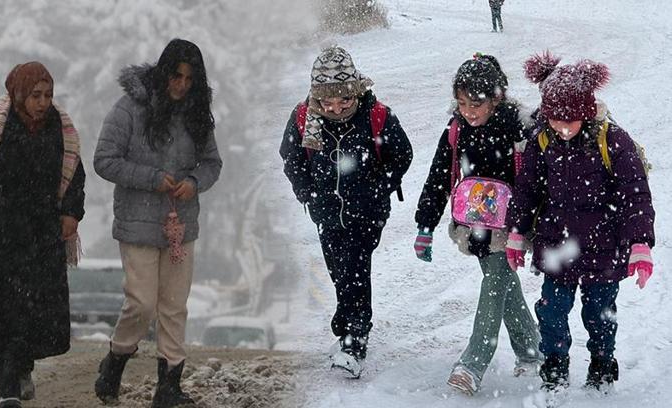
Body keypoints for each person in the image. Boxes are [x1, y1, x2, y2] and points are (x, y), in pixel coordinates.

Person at [507, 51, 655, 398]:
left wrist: (640, 244)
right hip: (557, 247)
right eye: (555, 120)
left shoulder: (613, 141)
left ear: (585, 114)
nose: (561, 128)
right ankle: (555, 367)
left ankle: (602, 366)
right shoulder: (543, 139)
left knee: (599, 315)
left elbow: (635, 194)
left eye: (569, 121)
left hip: (604, 250)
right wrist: (516, 232)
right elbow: (527, 188)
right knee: (552, 313)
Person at [93, 38, 222, 407]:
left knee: (174, 305)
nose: (182, 85)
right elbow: (104, 159)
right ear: (164, 73)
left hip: (181, 226)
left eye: (189, 78)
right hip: (138, 224)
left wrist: (195, 182)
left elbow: (213, 163)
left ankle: (169, 386)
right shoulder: (129, 109)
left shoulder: (198, 115)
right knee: (142, 304)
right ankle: (116, 361)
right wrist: (150, 178)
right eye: (176, 76)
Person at [0, 61, 85, 408]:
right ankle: (6, 388)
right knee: (1, 315)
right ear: (18, 94)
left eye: (49, 95)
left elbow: (74, 175)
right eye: (36, 95)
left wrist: (71, 212)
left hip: (41, 238)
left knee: (31, 314)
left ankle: (22, 369)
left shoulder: (61, 129)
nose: (43, 102)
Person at [279, 46, 412, 378]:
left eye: (344, 101)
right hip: (325, 212)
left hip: (367, 212)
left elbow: (403, 154)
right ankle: (346, 322)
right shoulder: (304, 118)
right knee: (339, 269)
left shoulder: (376, 115)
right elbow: (291, 159)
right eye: (327, 103)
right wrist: (305, 191)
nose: (335, 108)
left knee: (354, 265)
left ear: (355, 92)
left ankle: (354, 339)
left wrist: (379, 186)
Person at [414, 53, 542, 395]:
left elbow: (541, 175)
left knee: (495, 281)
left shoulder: (519, 125)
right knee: (502, 283)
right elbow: (439, 176)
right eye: (461, 102)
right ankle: (531, 352)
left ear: (496, 98)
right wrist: (425, 225)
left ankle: (473, 363)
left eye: (476, 104)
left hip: (511, 224)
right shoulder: (457, 129)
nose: (468, 111)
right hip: (475, 224)